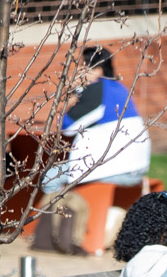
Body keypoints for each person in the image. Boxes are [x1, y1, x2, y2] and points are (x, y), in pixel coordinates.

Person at [47, 46, 151, 193]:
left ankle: (58, 215)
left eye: (84, 67)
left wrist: (71, 98)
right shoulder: (118, 87)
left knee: (50, 179)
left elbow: (67, 127)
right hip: (136, 166)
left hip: (118, 168)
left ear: (97, 70)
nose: (80, 72)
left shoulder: (96, 90)